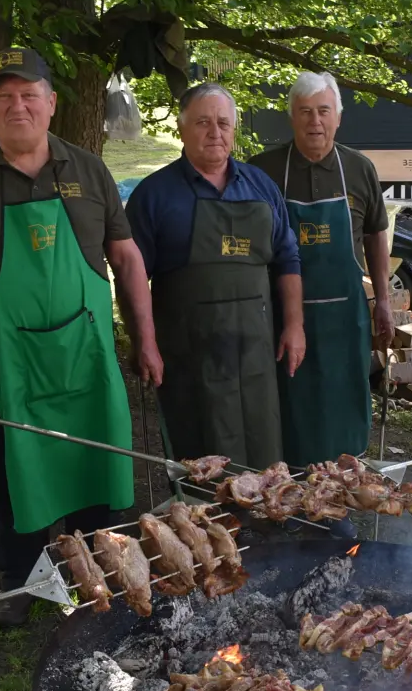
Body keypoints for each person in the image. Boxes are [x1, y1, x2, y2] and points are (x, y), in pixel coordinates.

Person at [0, 46, 162, 627]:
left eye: (28, 94)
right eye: (4, 95)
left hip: (87, 359)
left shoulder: (87, 169)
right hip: (9, 363)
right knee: (15, 471)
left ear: (51, 102)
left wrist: (146, 338)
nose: (18, 105)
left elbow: (126, 255)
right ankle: (24, 581)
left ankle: (105, 573)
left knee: (98, 463)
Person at [126, 83, 305, 470]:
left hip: (257, 353)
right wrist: (144, 342)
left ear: (234, 129)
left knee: (264, 458)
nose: (215, 132)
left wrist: (294, 325)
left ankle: (261, 524)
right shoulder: (154, 195)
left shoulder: (261, 186)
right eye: (203, 122)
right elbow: (132, 276)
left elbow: (287, 258)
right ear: (181, 127)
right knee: (201, 461)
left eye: (224, 123)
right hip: (190, 357)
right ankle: (199, 527)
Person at [248, 72, 393, 539]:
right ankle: (286, 505)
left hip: (345, 317)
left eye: (324, 111)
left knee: (342, 409)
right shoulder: (263, 170)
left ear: (339, 118)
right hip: (283, 318)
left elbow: (374, 235)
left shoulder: (360, 169)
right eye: (305, 111)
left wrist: (385, 300)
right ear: (291, 115)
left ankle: (337, 507)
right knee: (290, 410)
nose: (315, 121)